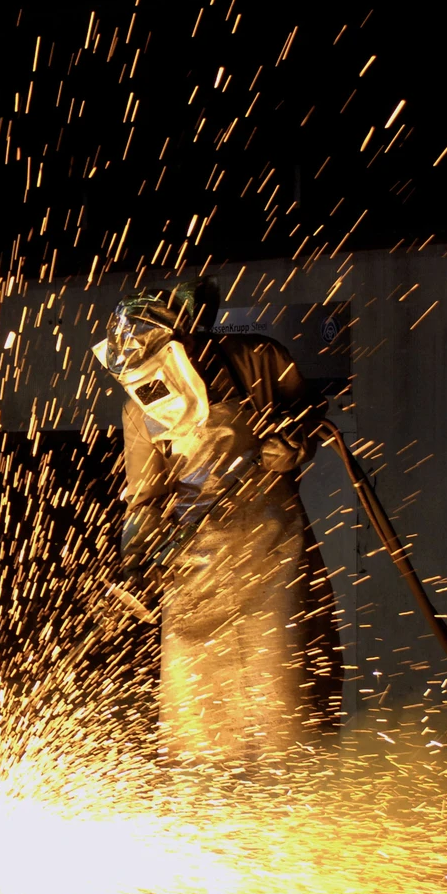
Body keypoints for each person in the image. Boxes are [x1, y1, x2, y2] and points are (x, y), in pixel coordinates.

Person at [96, 280, 342, 770]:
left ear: (187, 337)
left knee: (283, 695)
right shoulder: (138, 407)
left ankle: (295, 813)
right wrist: (134, 560)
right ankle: (212, 815)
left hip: (269, 549)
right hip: (192, 570)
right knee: (200, 716)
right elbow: (143, 499)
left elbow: (311, 413)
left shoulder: (259, 360)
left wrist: (295, 443)